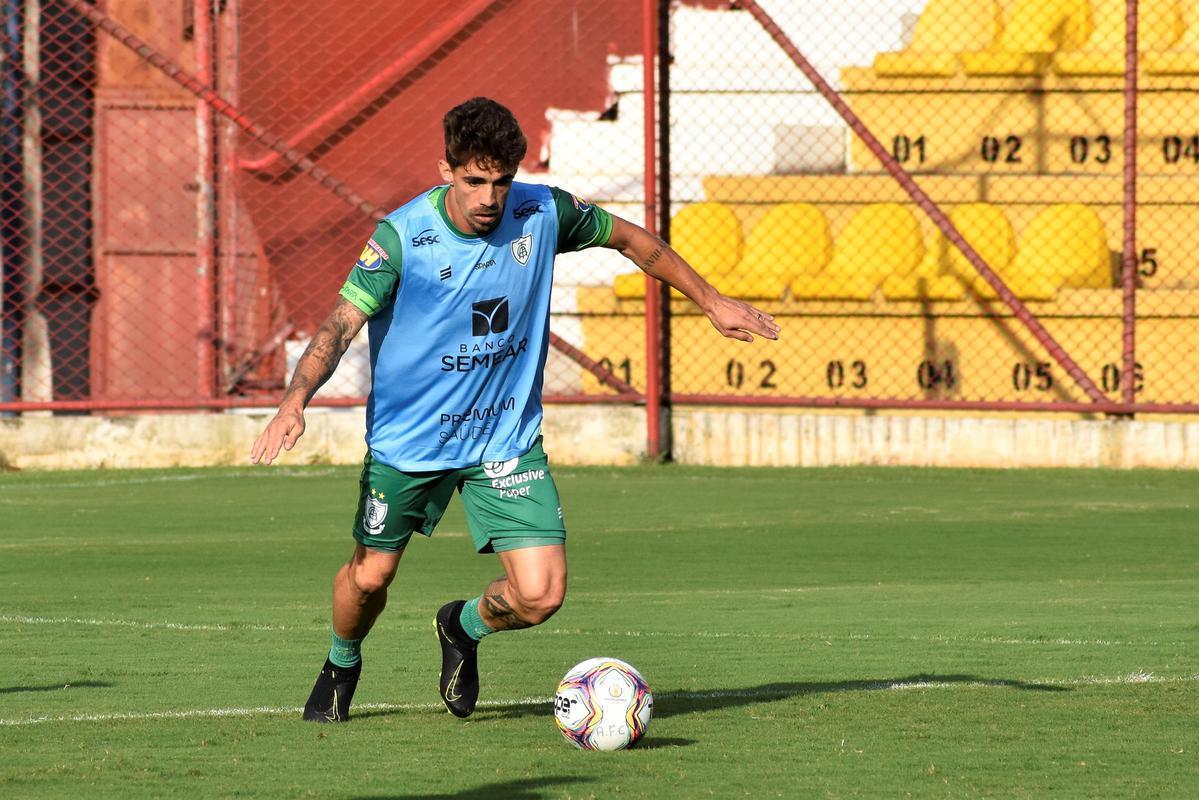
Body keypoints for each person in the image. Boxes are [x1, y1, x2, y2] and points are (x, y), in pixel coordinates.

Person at [250, 97, 780, 723]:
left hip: (503, 442)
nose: (489, 198)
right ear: (445, 168)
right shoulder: (401, 239)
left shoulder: (543, 212)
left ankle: (461, 627)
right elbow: (340, 326)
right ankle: (342, 660)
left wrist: (711, 300)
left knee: (540, 596)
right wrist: (293, 401)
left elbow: (631, 239)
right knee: (369, 580)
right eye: (474, 180)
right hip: (410, 444)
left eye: (500, 181)